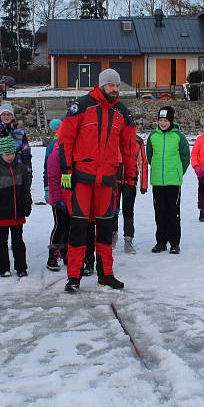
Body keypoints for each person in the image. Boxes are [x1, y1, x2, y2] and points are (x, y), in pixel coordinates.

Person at [56, 68, 137, 293]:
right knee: (79, 229)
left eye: (118, 85)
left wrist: (131, 176)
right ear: (101, 85)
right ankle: (74, 276)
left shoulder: (122, 113)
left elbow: (129, 148)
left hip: (107, 181)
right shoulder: (81, 106)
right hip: (82, 179)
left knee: (105, 229)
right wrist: (66, 170)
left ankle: (106, 274)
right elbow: (66, 139)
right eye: (111, 85)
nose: (115, 89)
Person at [0, 103, 32, 250]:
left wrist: (28, 173)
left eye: (9, 114)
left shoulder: (20, 133)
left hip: (17, 174)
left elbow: (26, 154)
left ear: (13, 116)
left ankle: (17, 236)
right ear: (0, 116)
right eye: (4, 114)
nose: (7, 117)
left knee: (15, 203)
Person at [0, 134, 32, 278]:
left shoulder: (21, 168)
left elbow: (26, 189)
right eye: (6, 154)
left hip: (17, 212)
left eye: (11, 153)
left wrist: (27, 204)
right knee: (1, 242)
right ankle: (3, 268)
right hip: (1, 212)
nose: (9, 156)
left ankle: (21, 267)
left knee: (18, 241)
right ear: (0, 154)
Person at [147, 106, 190, 254]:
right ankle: (161, 242)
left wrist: (178, 172)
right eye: (160, 120)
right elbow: (149, 156)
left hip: (173, 182)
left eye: (165, 120)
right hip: (158, 181)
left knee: (173, 212)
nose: (163, 123)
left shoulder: (179, 137)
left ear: (171, 121)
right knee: (159, 212)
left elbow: (185, 158)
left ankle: (174, 243)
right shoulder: (153, 136)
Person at [112, 118, 149, 254]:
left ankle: (128, 239)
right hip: (113, 181)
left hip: (130, 181)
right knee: (112, 209)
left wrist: (143, 183)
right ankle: (112, 234)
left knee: (128, 211)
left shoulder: (138, 141)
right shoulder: (113, 138)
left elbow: (143, 163)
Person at [44, 118, 66, 271]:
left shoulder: (73, 149)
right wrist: (53, 195)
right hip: (58, 195)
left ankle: (67, 253)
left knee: (70, 226)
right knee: (59, 225)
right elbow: (51, 175)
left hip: (71, 195)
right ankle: (53, 255)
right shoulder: (55, 150)